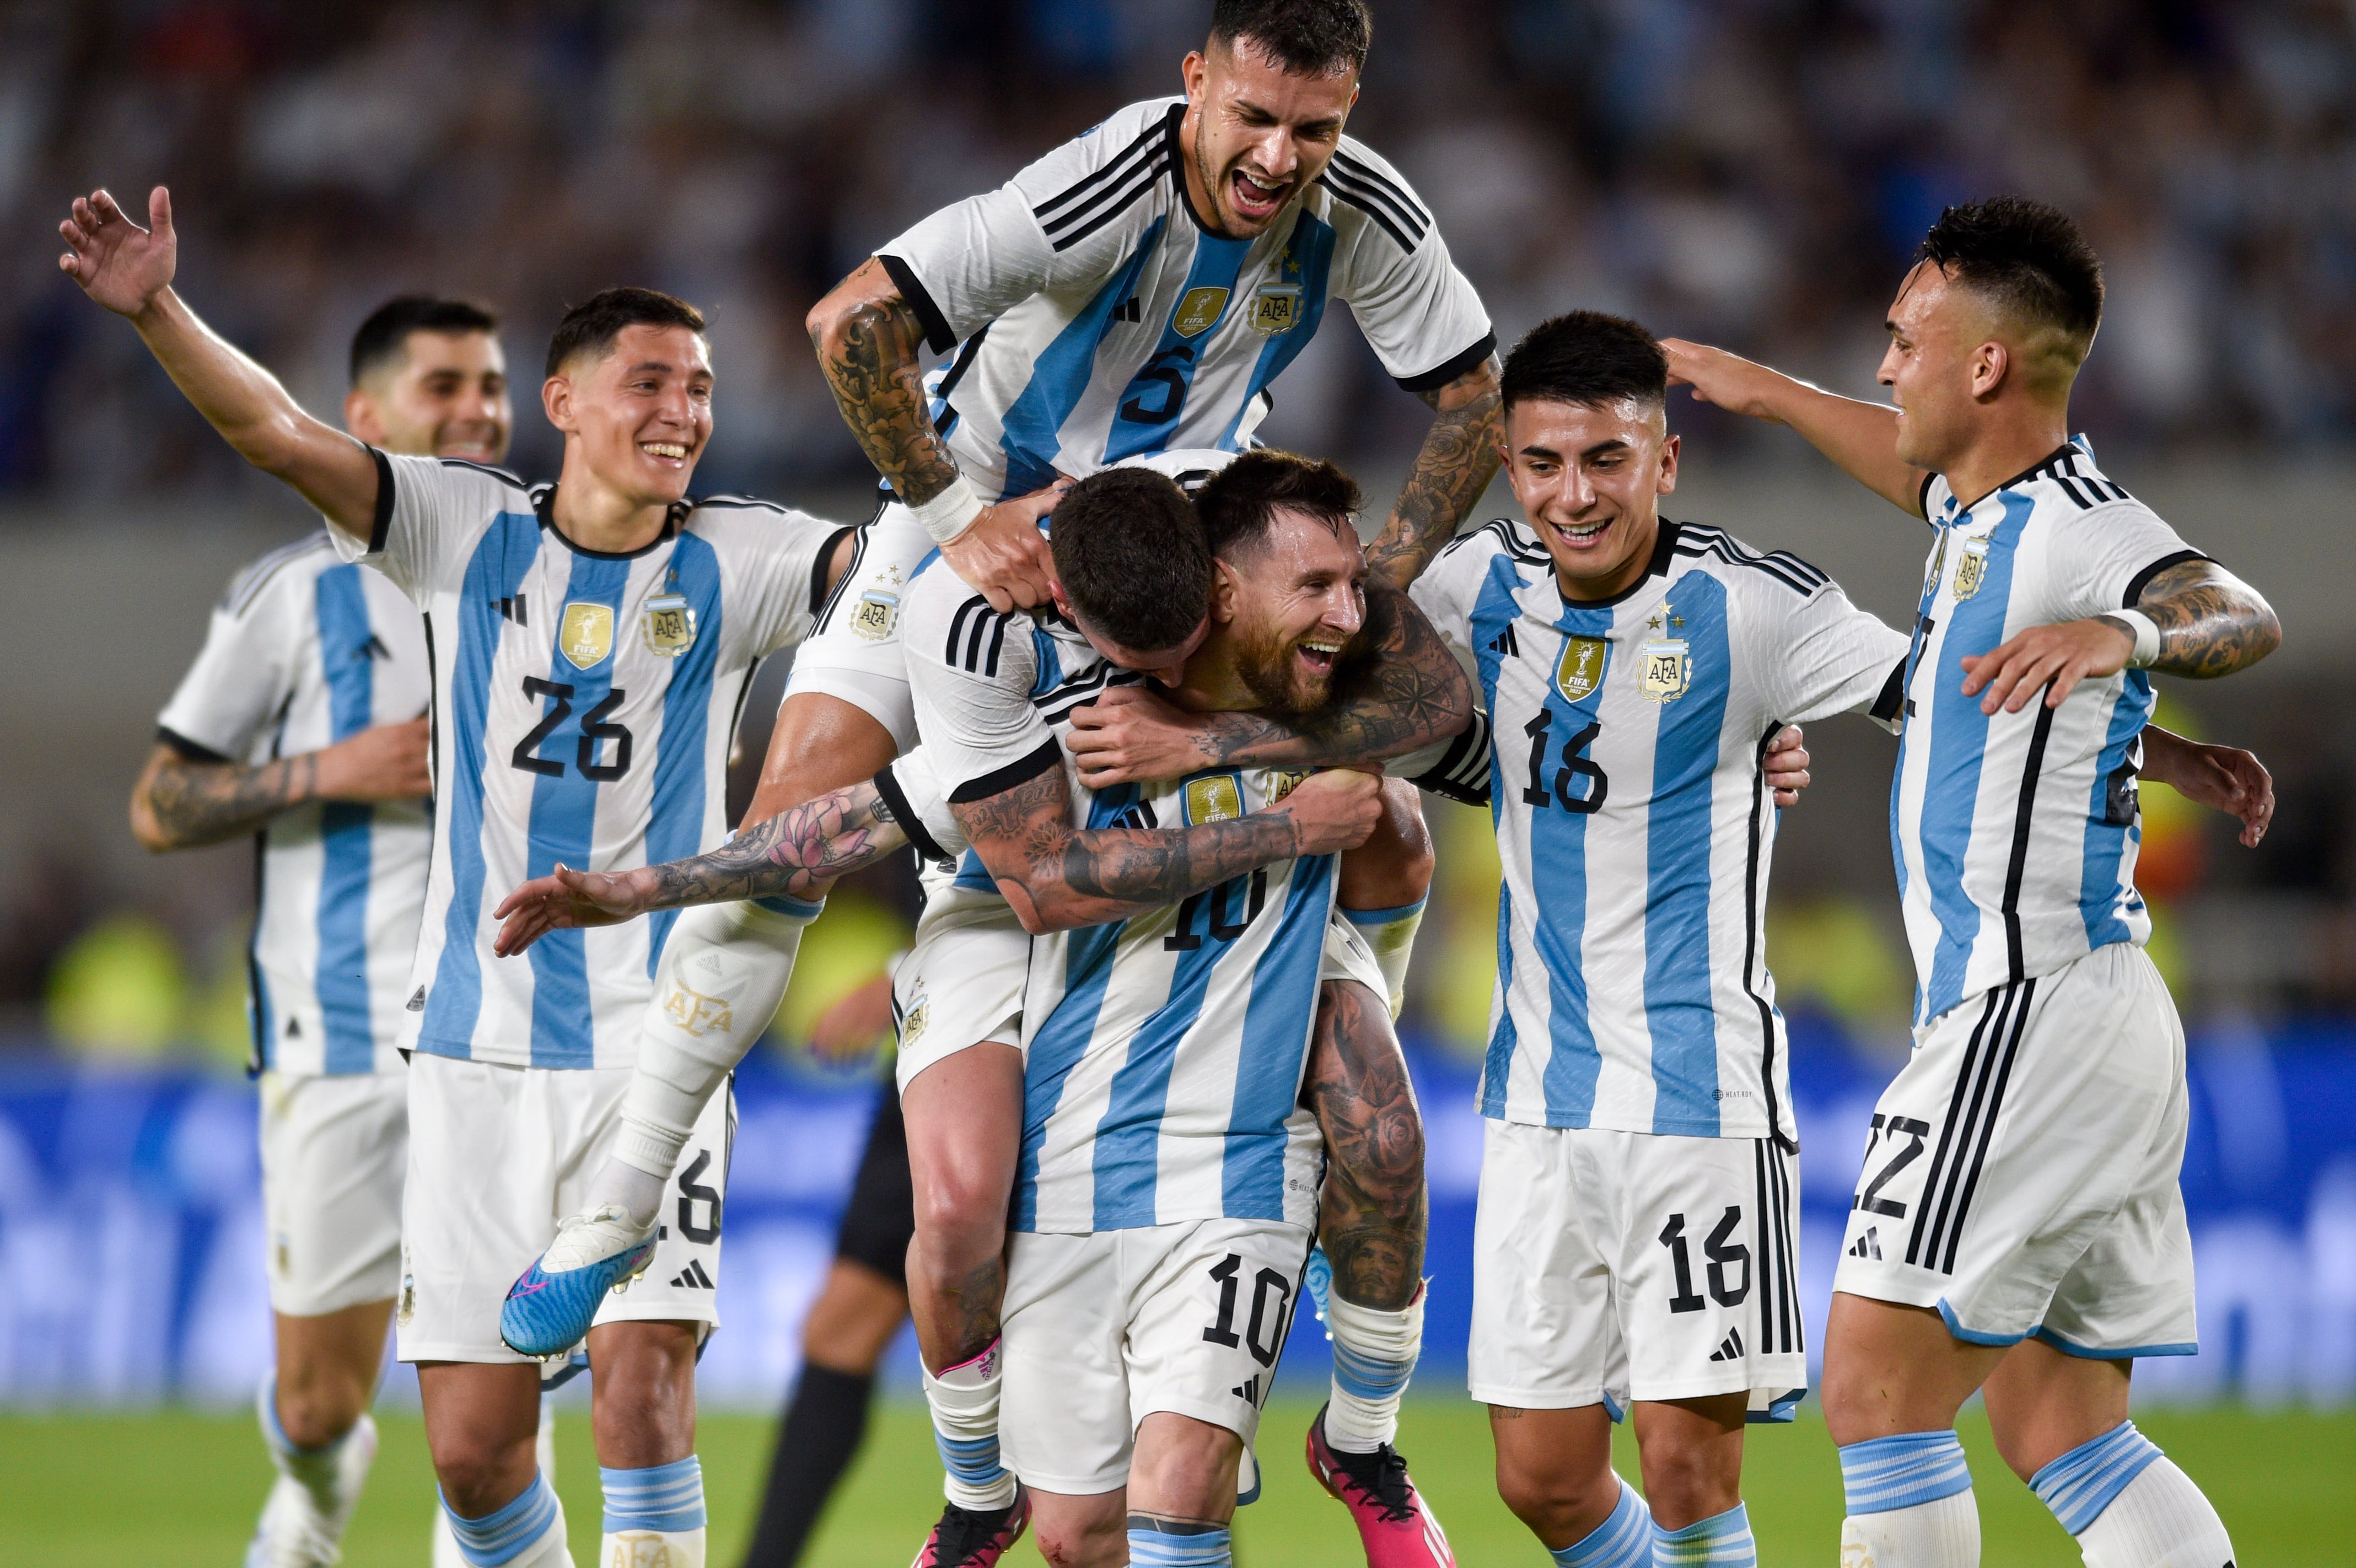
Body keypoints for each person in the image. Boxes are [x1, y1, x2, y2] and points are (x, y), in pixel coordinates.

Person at [594, 4, 1507, 1546]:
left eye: (1318, 129)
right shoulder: (1097, 186)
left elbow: (1475, 402)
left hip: (1173, 543)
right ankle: (615, 1206)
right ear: (1193, 83)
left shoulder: (1366, 213)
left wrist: (1378, 584)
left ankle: (1348, 1427)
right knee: (794, 804)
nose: (1282, 161)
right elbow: (850, 322)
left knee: (1394, 829)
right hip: (984, 519)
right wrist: (957, 511)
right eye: (1255, 121)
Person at [61, 184, 858, 1568]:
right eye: (650, 382)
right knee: (476, 1460)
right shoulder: (456, 527)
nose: (684, 410)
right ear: (564, 400)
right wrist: (158, 314)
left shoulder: (757, 553)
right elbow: (274, 430)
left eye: (705, 387)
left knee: (641, 1392)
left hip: (654, 1047)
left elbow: (903, 573)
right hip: (471, 1053)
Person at [494, 453, 1482, 1566]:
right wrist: (641, 883)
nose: (1346, 613)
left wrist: (1220, 749)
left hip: (1228, 1127)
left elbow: (1444, 716)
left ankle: (1363, 1442)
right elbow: (878, 833)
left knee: (1376, 1120)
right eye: (1134, 658)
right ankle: (972, 1488)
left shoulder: (1303, 615)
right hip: (1037, 991)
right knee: (972, 1242)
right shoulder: (1003, 661)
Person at [1663, 196, 2279, 1568]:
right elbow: (1905, 470)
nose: (1883, 366)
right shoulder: (1980, 515)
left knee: (1874, 1389)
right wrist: (1761, 393)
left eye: (1901, 339)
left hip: (2025, 1005)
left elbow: (2233, 607)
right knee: (2059, 1427)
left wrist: (2124, 632)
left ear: (1987, 365)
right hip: (2097, 1010)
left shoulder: (2075, 526)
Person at [133, 295, 518, 1568]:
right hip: (333, 1033)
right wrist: (326, 770)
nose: (477, 412)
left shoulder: (559, 571)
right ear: (361, 421)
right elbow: (161, 802)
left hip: (509, 1034)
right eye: (444, 387)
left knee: (501, 1395)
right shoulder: (288, 598)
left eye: (493, 386)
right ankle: (315, 1478)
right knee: (318, 1400)